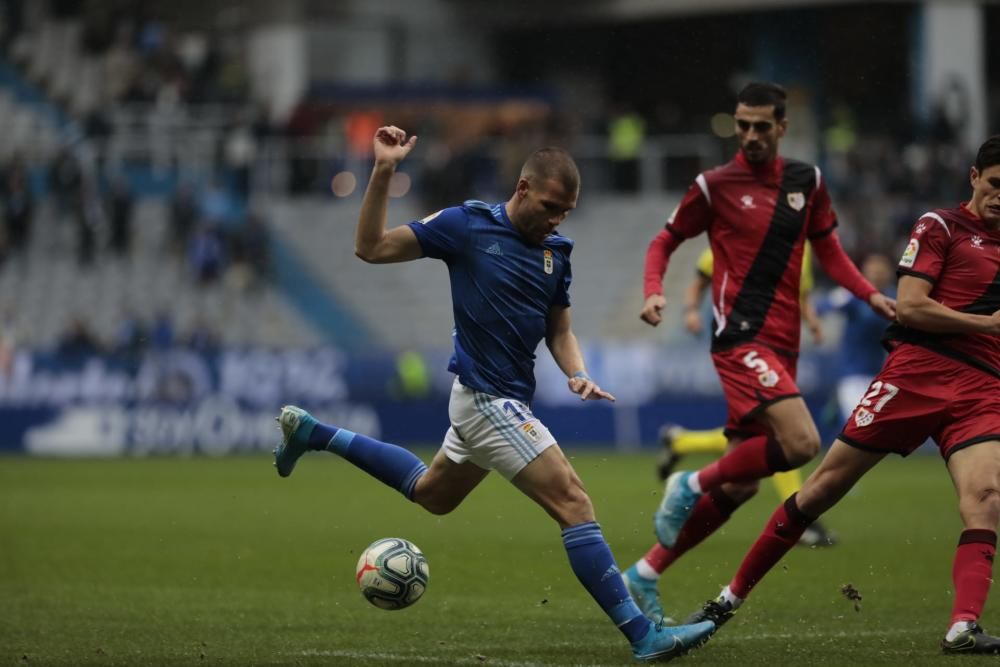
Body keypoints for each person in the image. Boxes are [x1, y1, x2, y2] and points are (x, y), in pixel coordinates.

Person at [272, 125, 715, 662]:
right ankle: (645, 636)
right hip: (485, 398)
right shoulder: (466, 226)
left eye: (566, 212)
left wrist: (576, 372)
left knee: (432, 493)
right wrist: (385, 169)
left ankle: (313, 433)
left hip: (500, 400)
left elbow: (560, 330)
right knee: (573, 501)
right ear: (523, 188)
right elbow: (370, 248)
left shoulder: (556, 252)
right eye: (550, 206)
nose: (556, 219)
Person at [684, 134, 1000, 656]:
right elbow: (911, 307)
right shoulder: (939, 226)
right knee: (820, 490)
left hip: (982, 388)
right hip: (916, 375)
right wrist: (986, 324)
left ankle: (962, 626)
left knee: (986, 499)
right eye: (995, 185)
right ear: (973, 177)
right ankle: (728, 598)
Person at [622, 83, 896, 623]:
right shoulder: (714, 186)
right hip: (739, 336)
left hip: (783, 341)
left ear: (782, 128)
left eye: (760, 126)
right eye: (741, 125)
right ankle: (688, 481)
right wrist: (655, 288)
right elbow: (664, 241)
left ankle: (645, 573)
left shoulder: (807, 183)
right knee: (801, 442)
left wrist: (869, 294)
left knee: (744, 483)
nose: (749, 135)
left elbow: (831, 253)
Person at [656, 243, 837, 549]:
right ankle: (799, 515)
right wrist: (689, 311)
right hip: (744, 345)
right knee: (784, 436)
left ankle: (682, 445)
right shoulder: (735, 231)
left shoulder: (802, 244)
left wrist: (812, 321)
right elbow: (699, 280)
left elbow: (799, 293)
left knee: (758, 439)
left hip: (782, 348)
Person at [813, 252, 896, 421]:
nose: (878, 275)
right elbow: (821, 306)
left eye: (882, 271)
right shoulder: (854, 296)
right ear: (864, 274)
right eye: (873, 271)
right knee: (858, 425)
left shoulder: (895, 297)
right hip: (853, 376)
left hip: (883, 376)